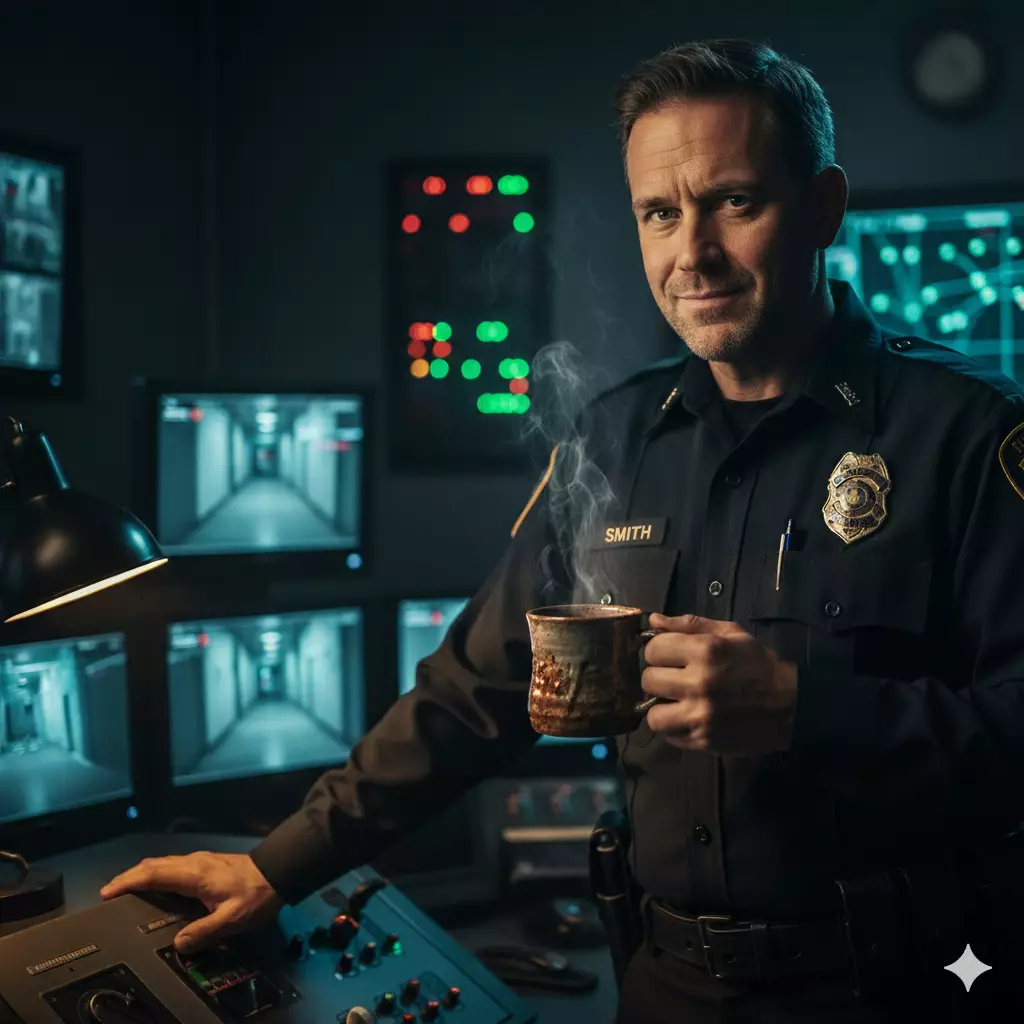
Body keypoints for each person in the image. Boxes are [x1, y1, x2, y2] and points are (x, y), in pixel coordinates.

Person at [101, 39, 1024, 1022]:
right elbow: (473, 693)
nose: (692, 253)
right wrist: (277, 867)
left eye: (733, 202)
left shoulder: (969, 433)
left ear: (825, 206)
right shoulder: (613, 438)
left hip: (900, 988)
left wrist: (808, 708)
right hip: (664, 988)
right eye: (659, 213)